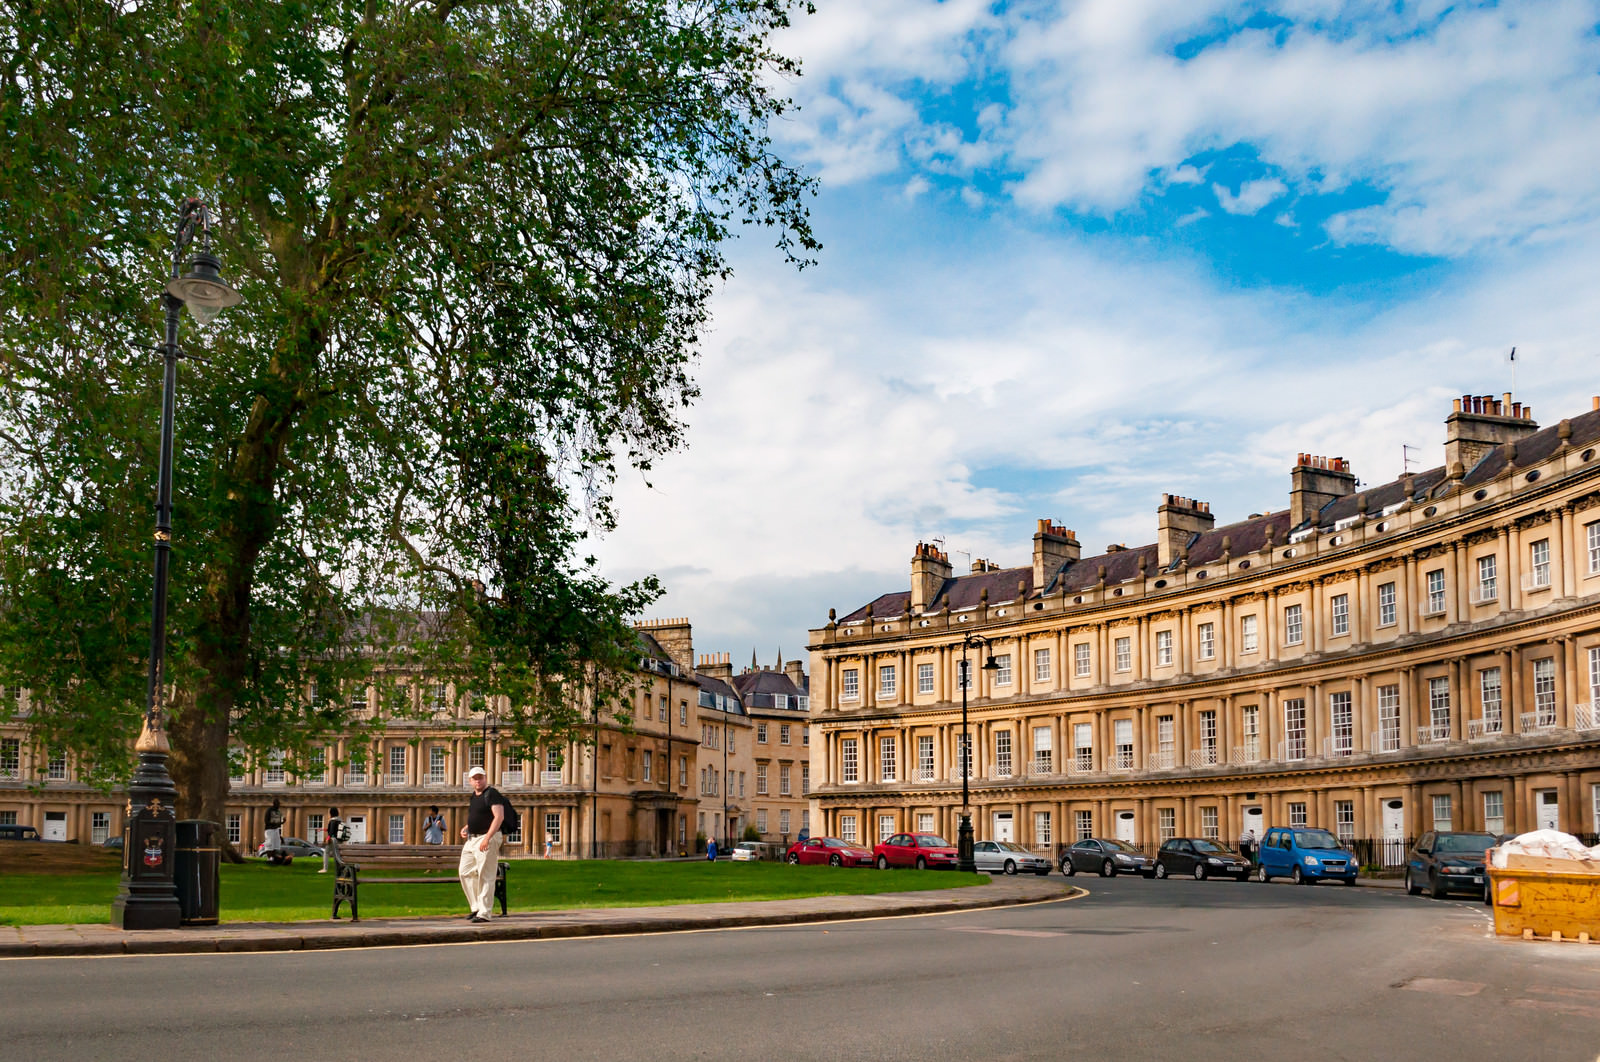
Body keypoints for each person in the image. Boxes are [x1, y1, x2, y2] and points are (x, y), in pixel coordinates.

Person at [459, 766, 504, 923]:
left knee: (486, 875)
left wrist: (487, 838)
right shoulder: (474, 795)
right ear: (470, 781)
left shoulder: (492, 794)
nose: (478, 780)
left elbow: (498, 817)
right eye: (475, 778)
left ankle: (484, 913)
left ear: (485, 778)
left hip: (487, 838)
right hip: (472, 839)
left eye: (480, 777)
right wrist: (467, 827)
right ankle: (476, 907)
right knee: (464, 872)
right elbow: (478, 816)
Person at [320, 806, 343, 873]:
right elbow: (333, 830)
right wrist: (323, 829)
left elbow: (331, 831)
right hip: (339, 839)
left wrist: (327, 839)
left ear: (331, 813)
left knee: (326, 853)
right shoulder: (339, 820)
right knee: (336, 854)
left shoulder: (333, 820)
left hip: (333, 840)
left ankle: (325, 869)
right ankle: (340, 868)